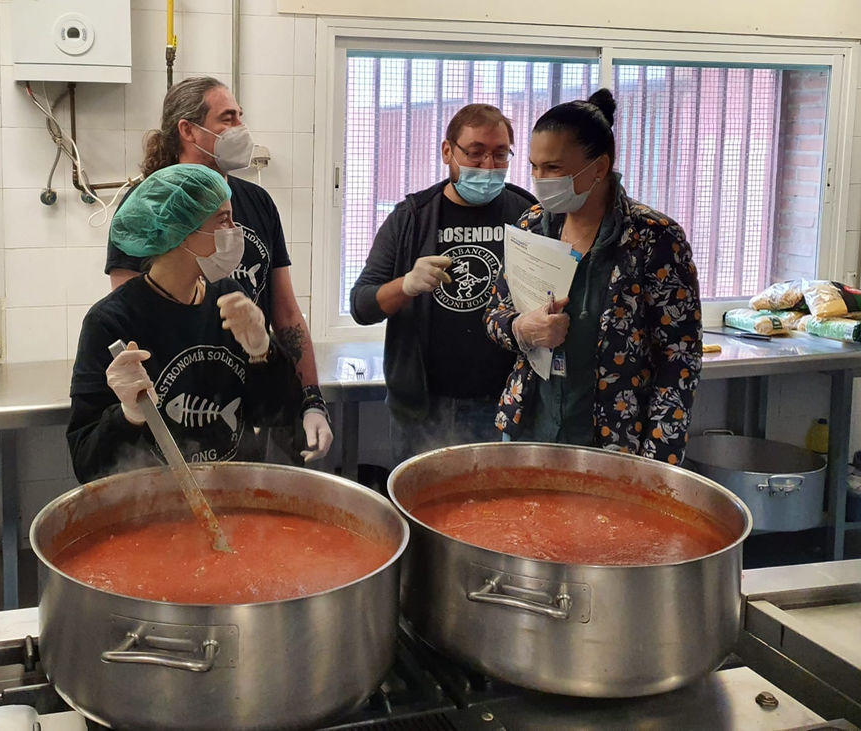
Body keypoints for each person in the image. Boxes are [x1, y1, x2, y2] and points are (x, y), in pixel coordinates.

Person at [105, 76, 331, 465]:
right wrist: (136, 409)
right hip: (170, 418)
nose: (240, 128)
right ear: (188, 130)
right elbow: (130, 318)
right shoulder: (150, 206)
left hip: (249, 403)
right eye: (228, 118)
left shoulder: (257, 202)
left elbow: (287, 313)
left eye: (240, 116)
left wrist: (311, 398)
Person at [483, 89, 702, 464]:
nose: (539, 179)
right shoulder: (533, 226)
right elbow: (494, 314)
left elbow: (678, 356)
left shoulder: (653, 238)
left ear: (599, 167)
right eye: (534, 166)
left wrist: (656, 461)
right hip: (529, 429)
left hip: (614, 442)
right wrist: (521, 328)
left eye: (553, 169)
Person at [68, 164, 302, 482]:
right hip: (152, 508)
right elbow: (87, 465)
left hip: (237, 496)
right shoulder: (111, 323)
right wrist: (129, 415)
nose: (235, 229)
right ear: (180, 231)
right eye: (223, 220)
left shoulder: (229, 297)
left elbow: (277, 413)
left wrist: (263, 352)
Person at [349, 104, 537, 464]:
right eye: (476, 152)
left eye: (500, 154)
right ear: (447, 151)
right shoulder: (412, 218)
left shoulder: (527, 214)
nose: (488, 166)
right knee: (420, 509)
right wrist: (405, 285)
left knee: (492, 513)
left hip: (503, 402)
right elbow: (362, 305)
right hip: (423, 406)